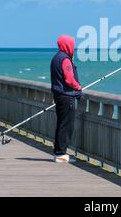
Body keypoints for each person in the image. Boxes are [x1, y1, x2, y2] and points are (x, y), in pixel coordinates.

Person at [50, 35, 82, 163]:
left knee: (61, 124)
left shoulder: (56, 58)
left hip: (59, 95)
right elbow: (69, 79)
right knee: (66, 125)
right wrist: (78, 87)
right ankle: (60, 154)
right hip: (66, 97)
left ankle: (58, 152)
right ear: (68, 45)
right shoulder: (65, 59)